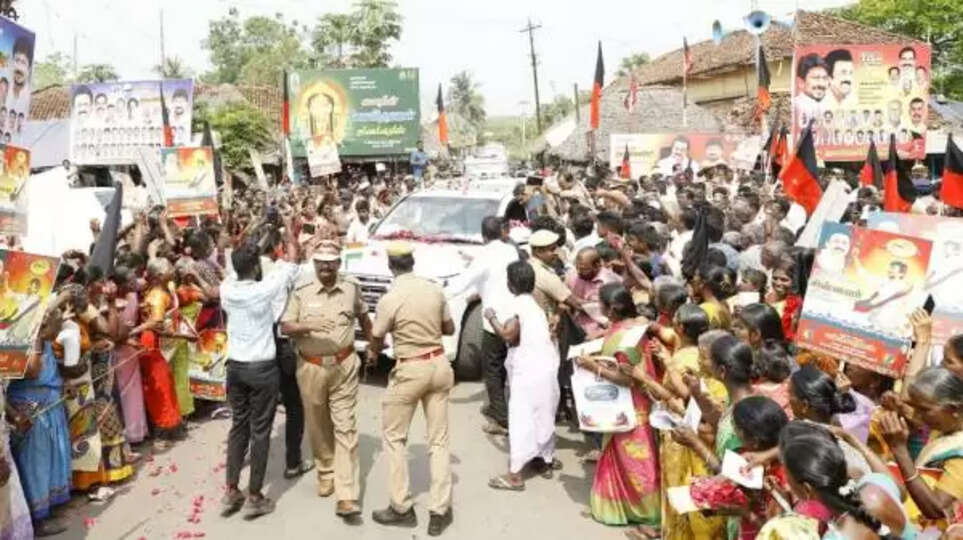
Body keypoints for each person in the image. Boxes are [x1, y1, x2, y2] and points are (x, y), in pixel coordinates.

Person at [368, 241, 455, 537]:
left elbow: (377, 335)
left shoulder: (390, 298)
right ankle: (439, 510)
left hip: (410, 368)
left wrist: (373, 352)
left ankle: (402, 507)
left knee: (394, 437)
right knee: (438, 440)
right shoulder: (434, 289)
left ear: (390, 266)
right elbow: (449, 329)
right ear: (412, 263)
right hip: (439, 365)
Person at [280, 241, 370, 519]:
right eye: (321, 261)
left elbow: (363, 314)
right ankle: (326, 471)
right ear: (315, 263)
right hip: (311, 368)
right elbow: (286, 326)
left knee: (345, 426)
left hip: (344, 365)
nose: (326, 266)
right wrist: (308, 325)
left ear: (339, 263)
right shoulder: (302, 290)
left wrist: (373, 345)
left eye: (331, 261)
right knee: (318, 424)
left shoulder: (351, 287)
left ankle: (346, 495)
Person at [219, 233, 299, 520]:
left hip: (236, 367)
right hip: (262, 369)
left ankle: (231, 489)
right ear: (256, 266)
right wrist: (288, 231)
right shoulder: (265, 288)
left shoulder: (226, 289)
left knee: (238, 426)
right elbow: (291, 262)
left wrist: (254, 248)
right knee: (260, 430)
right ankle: (254, 496)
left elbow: (236, 269)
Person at [575, 283, 661, 535]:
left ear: (611, 309)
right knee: (622, 456)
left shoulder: (626, 339)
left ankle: (643, 510)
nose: (599, 308)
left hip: (630, 405)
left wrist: (594, 367)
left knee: (634, 460)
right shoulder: (632, 326)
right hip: (632, 403)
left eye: (601, 304)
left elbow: (628, 378)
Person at [485, 261, 560, 491]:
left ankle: (515, 476)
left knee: (521, 419)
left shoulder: (516, 305)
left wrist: (491, 318)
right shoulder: (536, 305)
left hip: (528, 371)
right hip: (546, 367)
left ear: (510, 284)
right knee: (544, 415)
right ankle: (544, 461)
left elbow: (509, 335)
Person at [444, 216, 518, 434]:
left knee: (492, 369)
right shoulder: (510, 250)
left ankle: (501, 419)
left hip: (494, 322)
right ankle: (500, 406)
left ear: (483, 236)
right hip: (514, 317)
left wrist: (436, 292)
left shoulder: (484, 257)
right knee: (506, 366)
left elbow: (460, 284)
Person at [6, 307, 70, 536]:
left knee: (50, 460)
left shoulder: (46, 342)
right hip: (30, 407)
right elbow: (32, 371)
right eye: (57, 323)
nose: (60, 328)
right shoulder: (21, 338)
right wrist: (36, 337)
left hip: (49, 404)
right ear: (42, 325)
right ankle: (38, 518)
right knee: (35, 465)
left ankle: (48, 507)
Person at [881, 366, 963, 529]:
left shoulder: (959, 454)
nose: (917, 415)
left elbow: (938, 509)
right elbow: (917, 420)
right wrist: (900, 409)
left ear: (955, 409)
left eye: (924, 410)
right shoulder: (945, 427)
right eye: (915, 408)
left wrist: (900, 450)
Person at [795, 54, 830, 122]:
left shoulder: (830, 107)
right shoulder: (794, 108)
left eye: (824, 78)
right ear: (801, 82)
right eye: (815, 78)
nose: (821, 84)